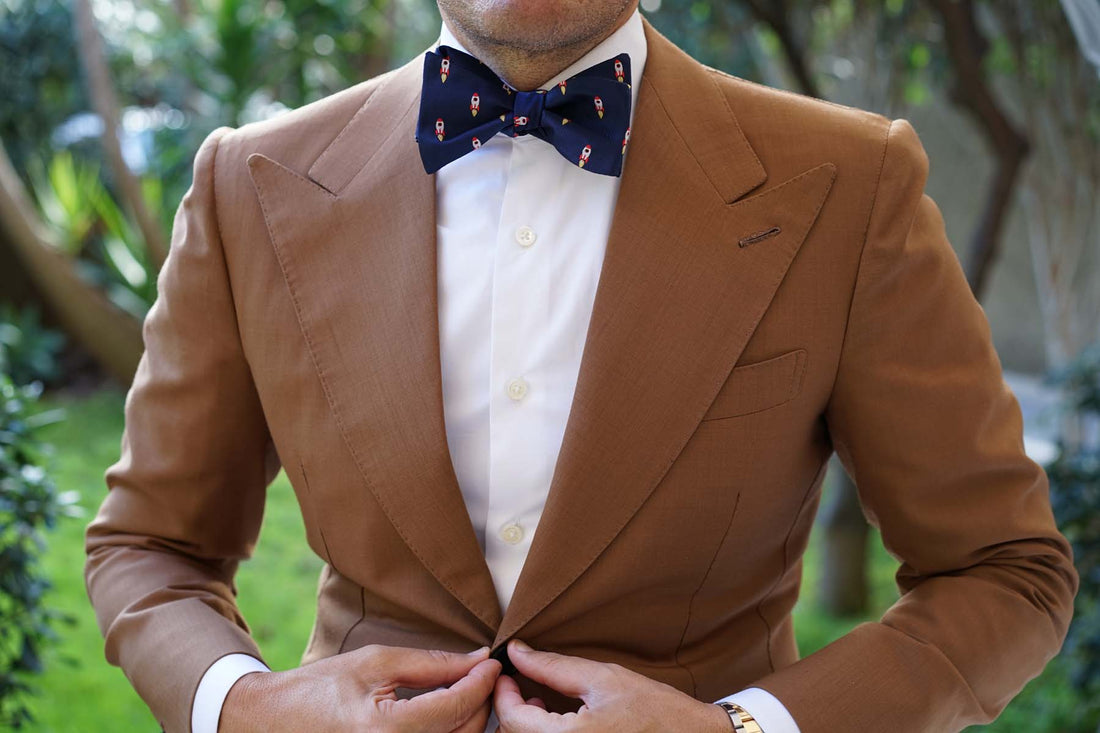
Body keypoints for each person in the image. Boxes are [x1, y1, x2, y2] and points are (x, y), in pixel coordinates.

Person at [83, 1, 1079, 732]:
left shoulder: (849, 185)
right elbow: (151, 544)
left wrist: (741, 728)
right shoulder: (250, 184)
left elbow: (1004, 571)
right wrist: (242, 706)